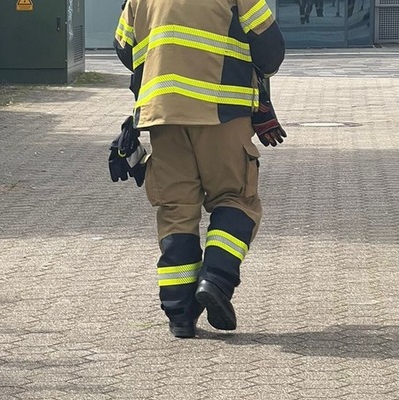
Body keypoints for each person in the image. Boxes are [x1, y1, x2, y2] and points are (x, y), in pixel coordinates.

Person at [108, 0, 287, 338]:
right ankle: (216, 280)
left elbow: (123, 49)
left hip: (162, 115)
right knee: (236, 198)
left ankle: (180, 313)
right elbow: (270, 50)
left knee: (176, 209)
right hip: (221, 111)